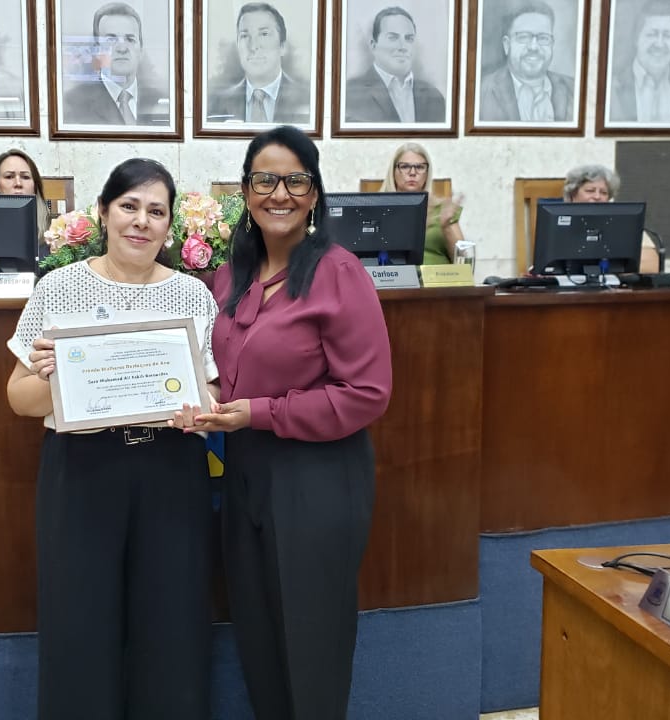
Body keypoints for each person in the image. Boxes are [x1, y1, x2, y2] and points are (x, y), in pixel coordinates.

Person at [187, 126, 391, 718]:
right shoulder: (230, 275)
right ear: (245, 191)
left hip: (317, 478)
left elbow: (367, 394)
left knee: (311, 644)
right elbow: (216, 368)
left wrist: (260, 411)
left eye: (295, 180)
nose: (280, 193)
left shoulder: (339, 271)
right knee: (258, 636)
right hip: (244, 472)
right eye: (265, 180)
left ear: (315, 192)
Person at [5, 158, 218, 718]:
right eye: (129, 206)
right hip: (82, 469)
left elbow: (213, 391)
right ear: (103, 212)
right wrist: (65, 377)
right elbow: (18, 397)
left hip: (171, 470)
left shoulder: (193, 295)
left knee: (172, 623)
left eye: (156, 211)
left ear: (170, 225)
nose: (141, 221)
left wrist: (200, 408)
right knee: (79, 622)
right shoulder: (59, 287)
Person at [62, 2, 169, 126]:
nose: (122, 48)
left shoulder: (163, 101)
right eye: (111, 40)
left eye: (130, 39)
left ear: (141, 49)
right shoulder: (72, 104)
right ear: (97, 49)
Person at [207, 2, 310, 124]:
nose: (253, 46)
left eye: (264, 34)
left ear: (282, 46)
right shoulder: (216, 103)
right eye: (245, 36)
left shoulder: (308, 98)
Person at [344, 6, 446, 123]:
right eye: (393, 38)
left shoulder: (435, 97)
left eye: (409, 39)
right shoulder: (350, 94)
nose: (403, 47)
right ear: (373, 45)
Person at [479, 0, 574, 122]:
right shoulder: (480, 93)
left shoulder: (575, 89)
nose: (533, 47)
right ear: (507, 45)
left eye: (543, 38)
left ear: (552, 44)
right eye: (523, 37)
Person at [609, 1, 670, 123]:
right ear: (636, 39)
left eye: (668, 35)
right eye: (652, 34)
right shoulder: (612, 89)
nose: (660, 44)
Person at [563, 164, 659, 273]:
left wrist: (608, 271)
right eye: (590, 191)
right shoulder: (554, 225)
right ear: (572, 194)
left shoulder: (626, 226)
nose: (597, 197)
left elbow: (651, 266)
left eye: (604, 193)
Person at [381, 143, 464, 264]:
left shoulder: (442, 210)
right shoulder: (379, 209)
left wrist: (446, 227)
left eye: (420, 167)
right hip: (394, 275)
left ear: (427, 174)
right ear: (393, 172)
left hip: (438, 275)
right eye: (405, 166)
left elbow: (463, 262)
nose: (412, 172)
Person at [0, 148, 50, 240]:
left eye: (25, 177)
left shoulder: (55, 232)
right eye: (9, 177)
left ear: (35, 186)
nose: (18, 183)